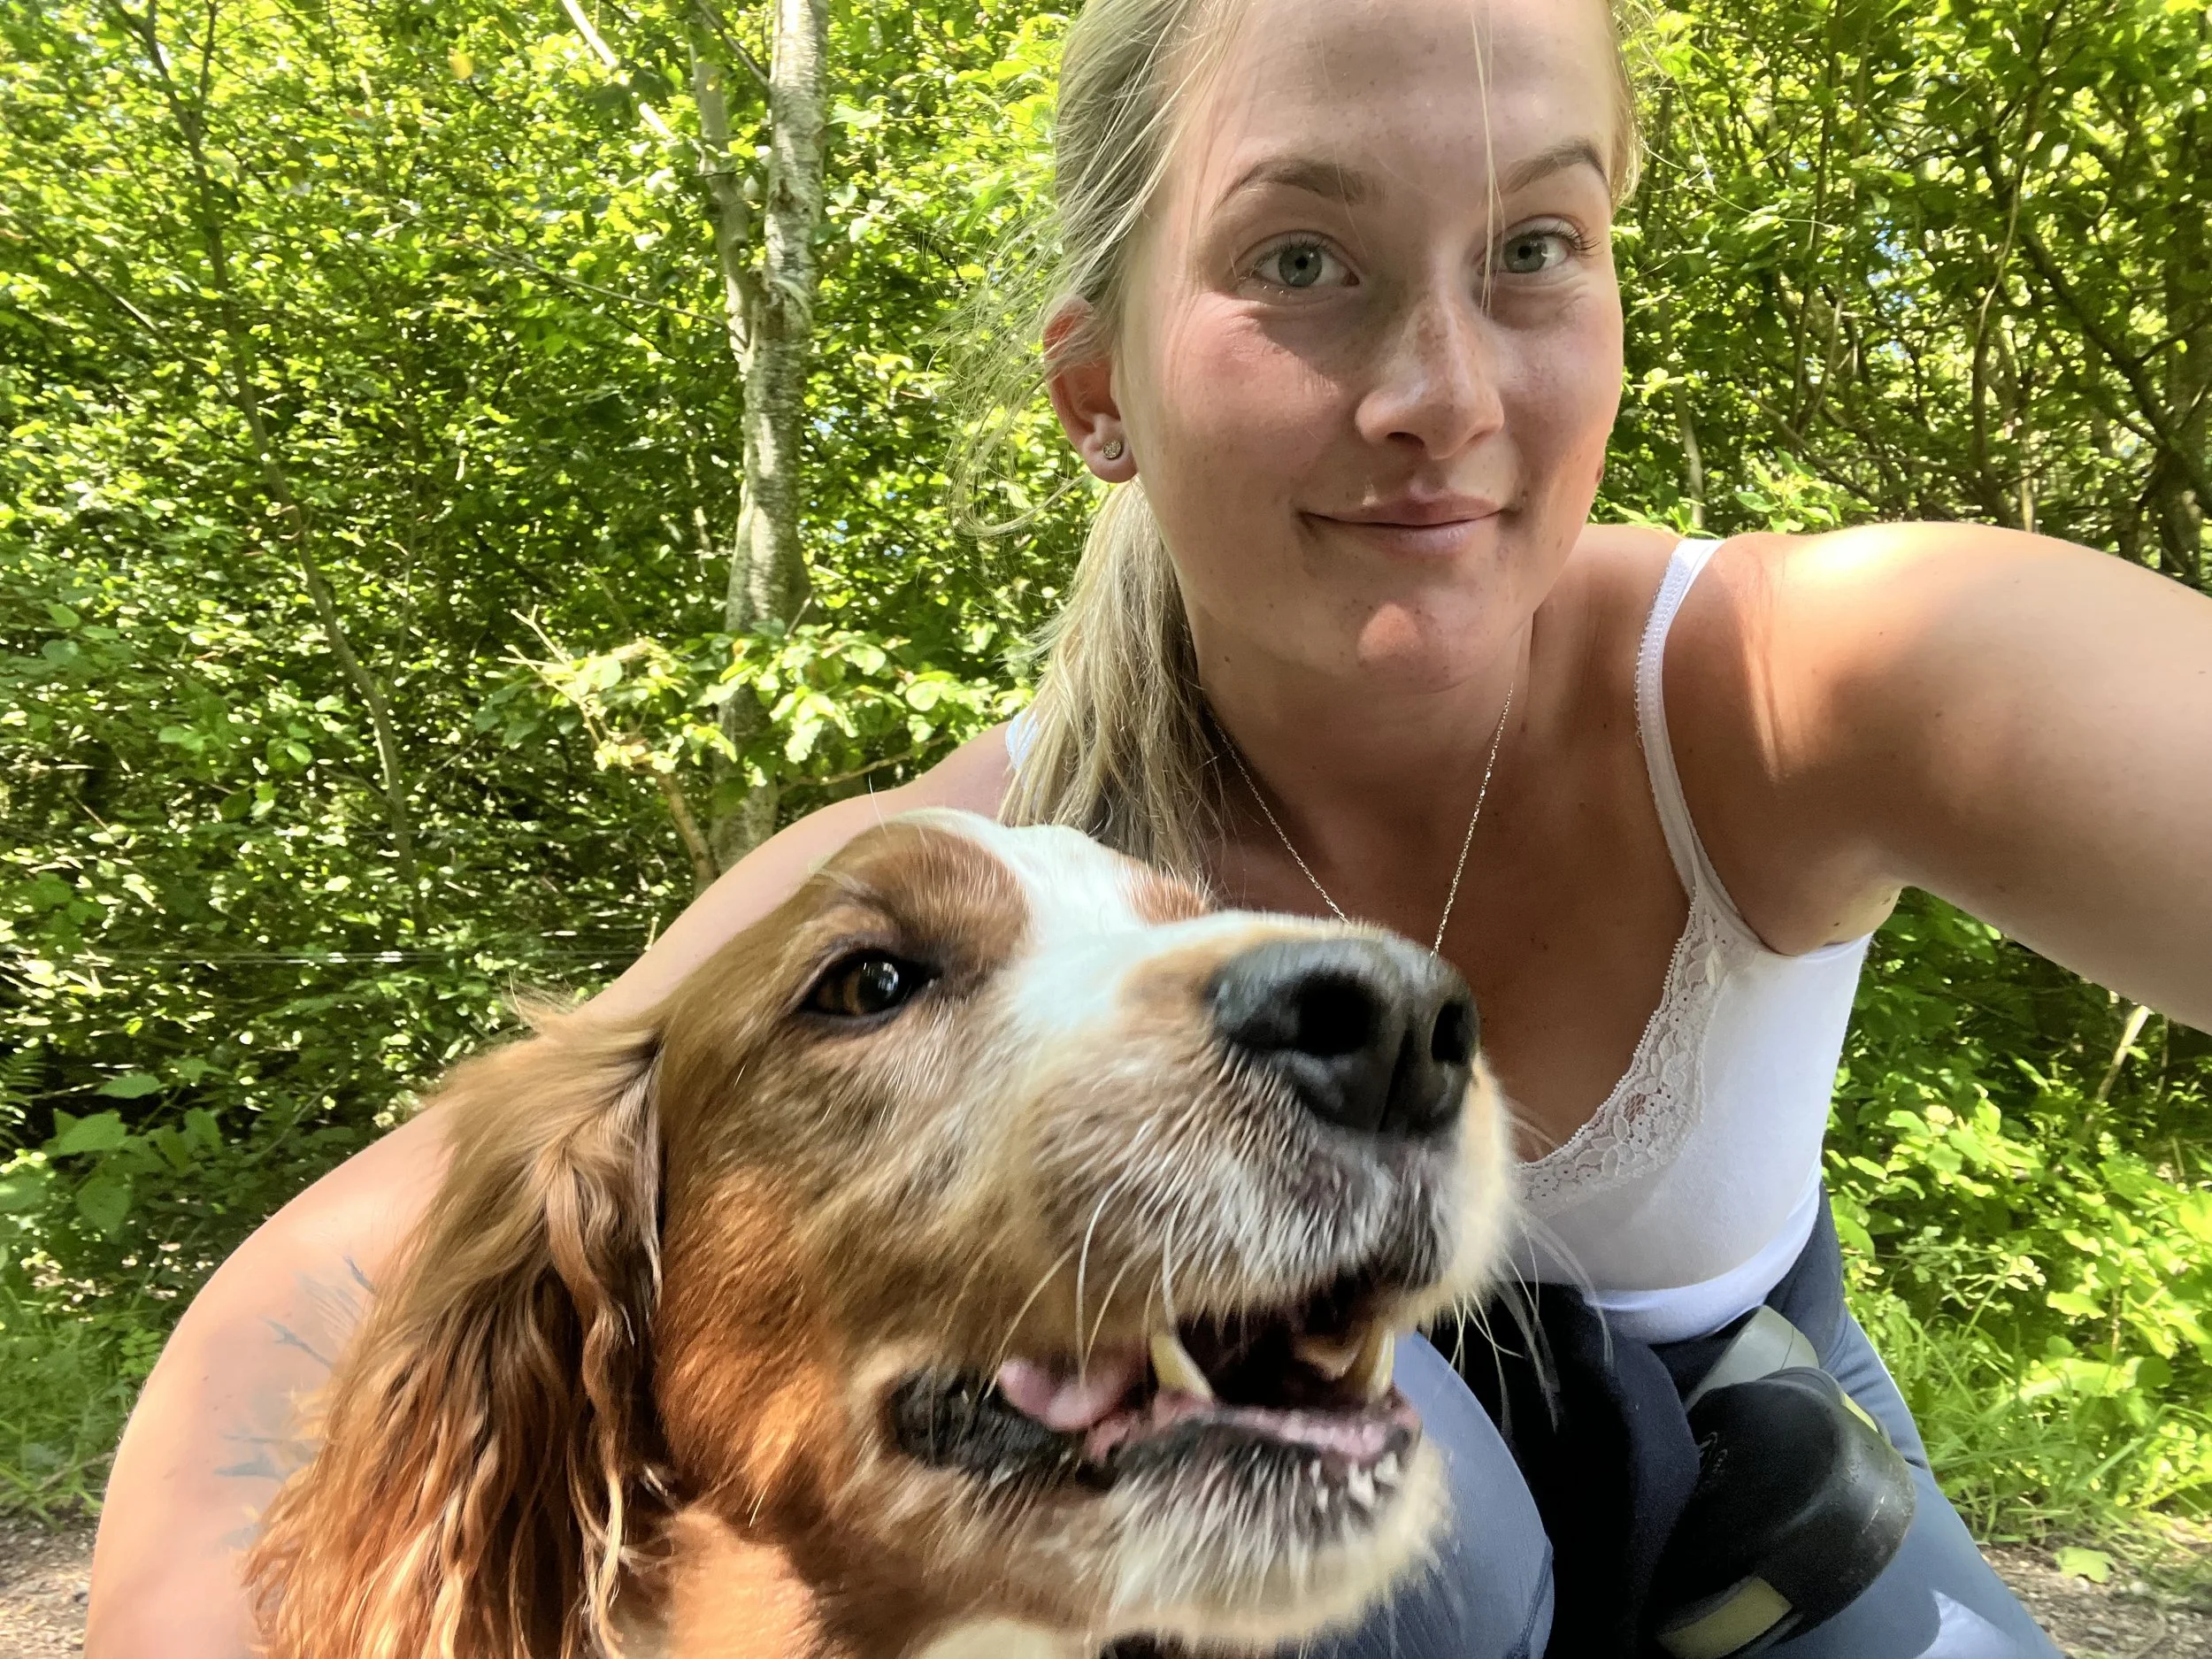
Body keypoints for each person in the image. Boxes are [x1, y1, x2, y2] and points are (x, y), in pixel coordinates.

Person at [88, 0, 2212, 1654]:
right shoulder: (965, 836)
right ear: (1094, 387)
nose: (1441, 396)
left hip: (1750, 1490)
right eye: (1302, 258)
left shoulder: (1818, 665)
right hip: (1298, 1499)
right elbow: (341, 1290)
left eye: (1535, 250)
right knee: (1423, 1542)